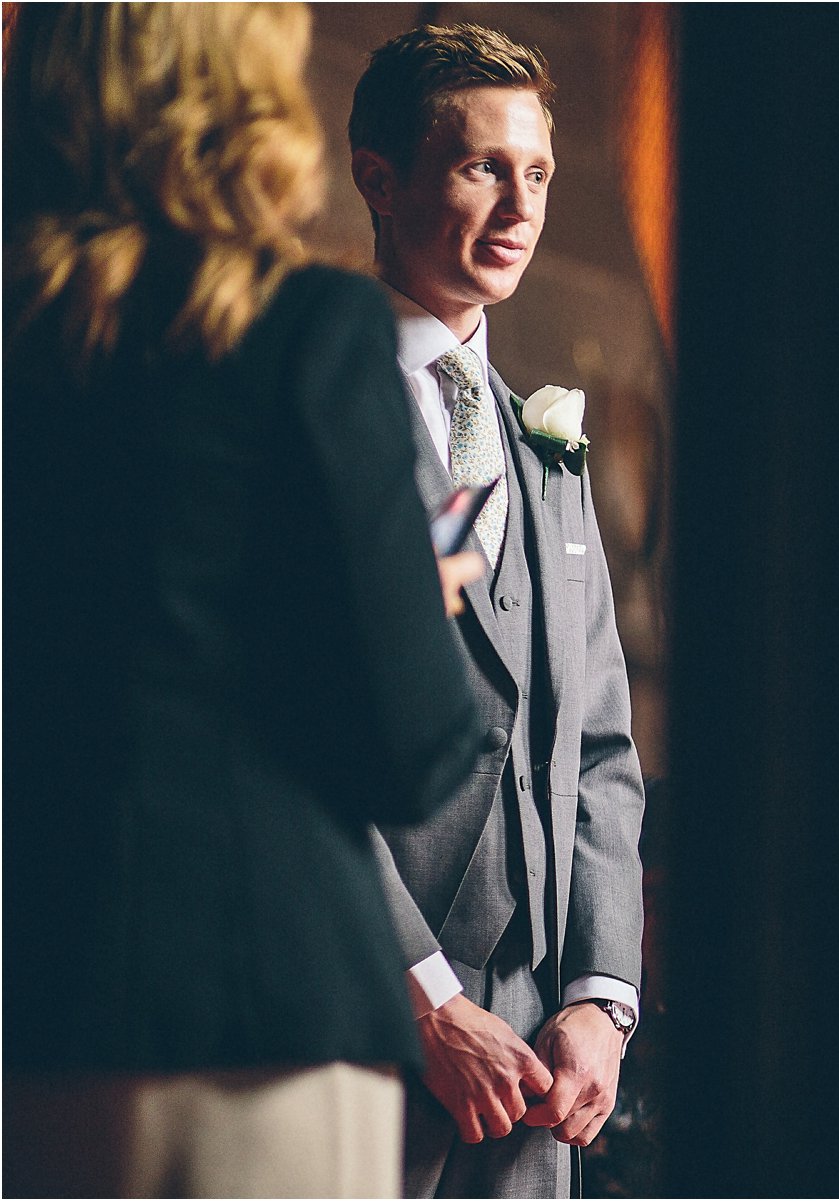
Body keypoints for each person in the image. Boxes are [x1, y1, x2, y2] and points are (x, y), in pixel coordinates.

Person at [1, 4, 488, 1196]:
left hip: (35, 994)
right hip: (262, 999)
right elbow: (416, 749)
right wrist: (404, 598)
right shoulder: (304, 329)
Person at [347, 23, 649, 1199]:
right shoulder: (305, 418)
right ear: (380, 177)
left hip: (538, 1082)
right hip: (365, 1039)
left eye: (538, 173)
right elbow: (269, 743)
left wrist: (599, 999)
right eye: (482, 166)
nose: (520, 205)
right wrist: (425, 997)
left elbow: (605, 753)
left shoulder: (549, 451)